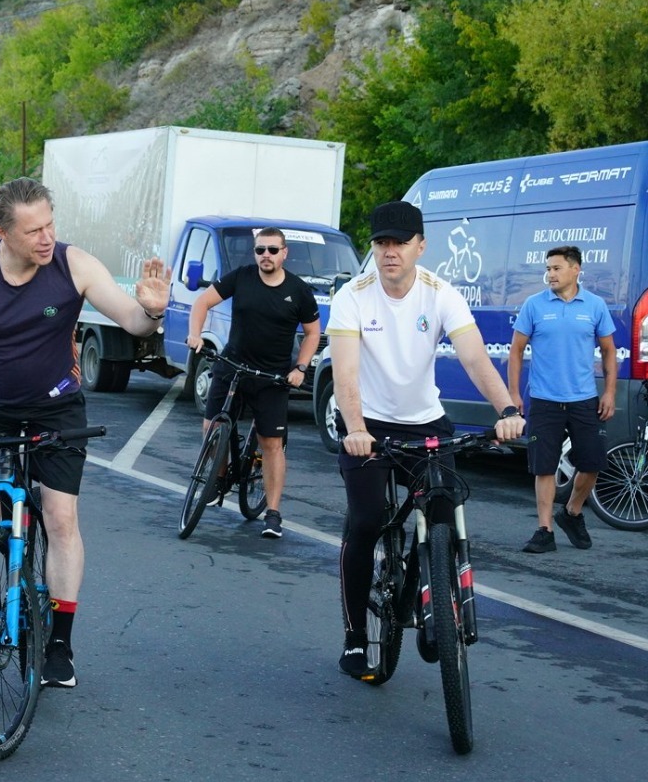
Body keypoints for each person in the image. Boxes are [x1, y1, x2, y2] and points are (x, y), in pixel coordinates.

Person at [0, 177, 168, 688]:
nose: (47, 238)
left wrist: (151, 310)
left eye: (50, 225)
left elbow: (134, 322)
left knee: (61, 518)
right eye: (33, 230)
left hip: (57, 409)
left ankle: (59, 644)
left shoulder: (73, 263)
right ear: (2, 233)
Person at [327, 200, 525, 678]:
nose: (390, 251)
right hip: (368, 423)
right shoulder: (353, 296)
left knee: (441, 511)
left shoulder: (440, 294)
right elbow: (345, 373)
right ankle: (355, 638)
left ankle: (433, 595)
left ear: (421, 246)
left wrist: (507, 410)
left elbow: (475, 358)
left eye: (400, 242)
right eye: (381, 243)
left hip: (425, 421)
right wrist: (356, 428)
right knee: (366, 522)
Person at [187, 227, 320, 538]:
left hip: (272, 377)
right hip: (233, 366)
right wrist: (195, 334)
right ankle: (218, 479)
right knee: (212, 427)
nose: (266, 256)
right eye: (260, 250)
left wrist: (300, 367)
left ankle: (272, 513)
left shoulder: (299, 290)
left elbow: (313, 332)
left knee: (271, 443)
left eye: (273, 250)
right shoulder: (242, 277)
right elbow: (202, 303)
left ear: (284, 253)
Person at [507, 245, 617, 553]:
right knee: (544, 467)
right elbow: (516, 351)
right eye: (548, 269)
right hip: (544, 399)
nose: (550, 274)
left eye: (556, 268)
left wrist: (610, 392)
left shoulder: (594, 305)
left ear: (575, 270)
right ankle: (545, 530)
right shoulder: (534, 305)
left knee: (592, 463)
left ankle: (572, 512)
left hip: (584, 399)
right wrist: (513, 394)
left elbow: (608, 350)